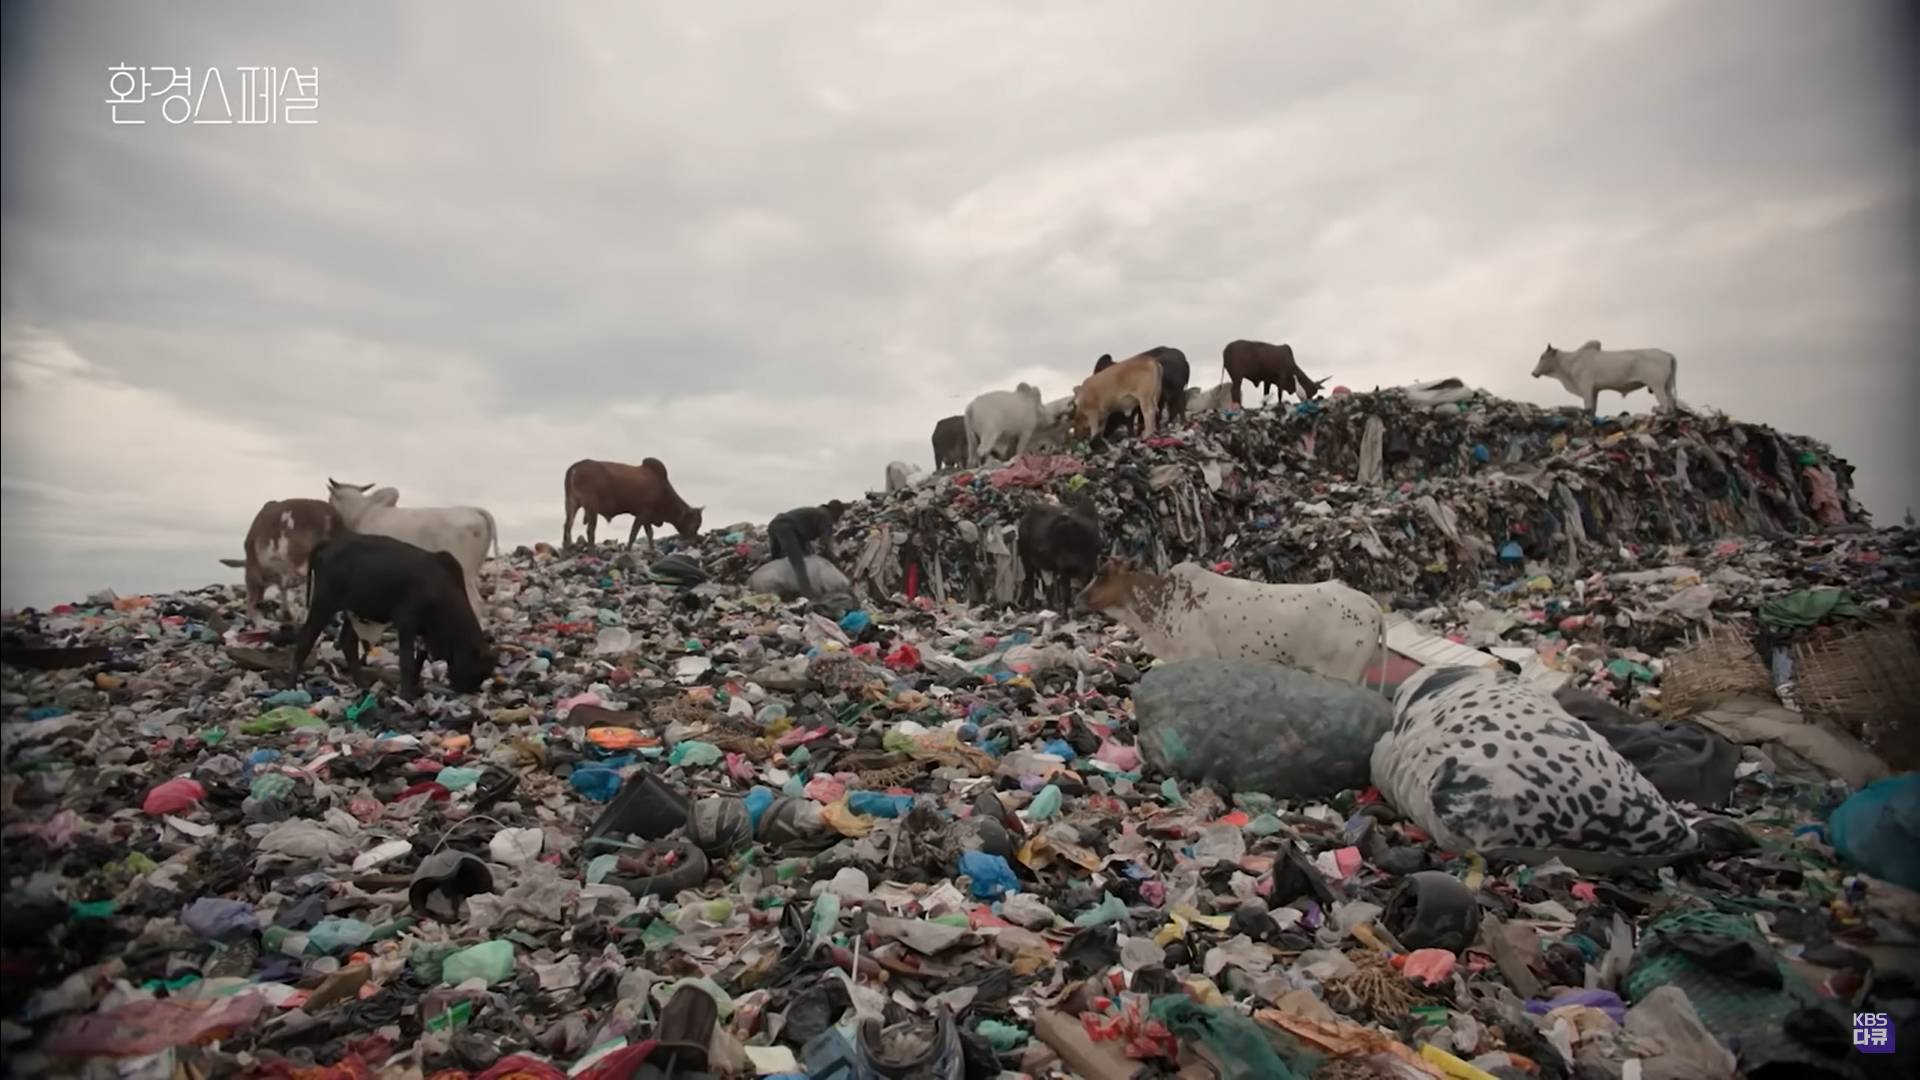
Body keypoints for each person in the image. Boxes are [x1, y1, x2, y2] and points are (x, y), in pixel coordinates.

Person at [767, 499, 848, 597]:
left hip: (775, 524)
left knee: (777, 559)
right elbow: (825, 547)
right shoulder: (827, 517)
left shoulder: (818, 513)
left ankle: (774, 587)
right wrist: (837, 565)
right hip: (785, 528)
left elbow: (805, 537)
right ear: (837, 513)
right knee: (798, 562)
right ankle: (807, 593)